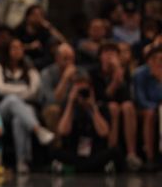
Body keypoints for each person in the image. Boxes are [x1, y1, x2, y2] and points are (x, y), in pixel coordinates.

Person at [0, 38, 54, 173]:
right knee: (12, 100)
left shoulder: (30, 70)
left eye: (20, 48)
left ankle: (22, 162)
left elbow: (34, 93)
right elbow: (1, 89)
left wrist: (13, 89)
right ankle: (38, 130)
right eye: (13, 47)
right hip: (2, 110)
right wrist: (23, 89)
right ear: (7, 50)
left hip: (25, 110)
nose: (17, 51)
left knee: (19, 119)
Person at [52, 71, 119, 173]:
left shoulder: (100, 106)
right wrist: (71, 103)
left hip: (94, 151)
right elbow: (63, 131)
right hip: (74, 151)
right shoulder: (68, 105)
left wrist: (92, 108)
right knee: (54, 151)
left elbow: (104, 132)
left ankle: (72, 169)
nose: (82, 94)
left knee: (114, 152)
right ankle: (95, 169)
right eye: (79, 91)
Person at [90, 42, 141, 171]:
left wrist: (118, 73)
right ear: (100, 56)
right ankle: (111, 152)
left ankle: (131, 154)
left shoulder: (124, 72)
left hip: (120, 105)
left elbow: (127, 97)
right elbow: (102, 96)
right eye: (106, 53)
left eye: (113, 53)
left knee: (128, 106)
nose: (109, 56)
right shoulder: (94, 73)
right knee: (113, 107)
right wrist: (114, 81)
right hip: (100, 106)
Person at [133, 45, 162, 170]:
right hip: (144, 109)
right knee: (151, 114)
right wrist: (156, 108)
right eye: (158, 59)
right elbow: (141, 99)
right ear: (150, 60)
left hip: (160, 108)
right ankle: (150, 157)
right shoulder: (140, 74)